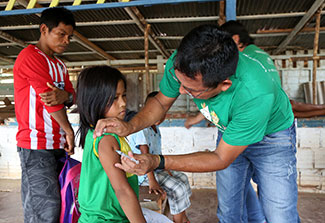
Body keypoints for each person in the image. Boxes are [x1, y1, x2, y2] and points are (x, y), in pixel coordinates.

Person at [94, 24, 300, 223]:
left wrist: (157, 161)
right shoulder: (184, 63)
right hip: (229, 131)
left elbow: (220, 157)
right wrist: (130, 126)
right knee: (229, 210)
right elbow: (160, 102)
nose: (181, 91)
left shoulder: (255, 94)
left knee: (280, 214)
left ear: (224, 84)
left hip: (272, 138)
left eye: (192, 90)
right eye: (180, 83)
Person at [76, 66, 172, 223]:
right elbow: (122, 190)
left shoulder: (107, 133)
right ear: (95, 100)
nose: (123, 103)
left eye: (124, 95)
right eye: (115, 98)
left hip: (113, 216)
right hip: (105, 219)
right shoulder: (106, 138)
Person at [13, 7, 76, 223]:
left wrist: (66, 95)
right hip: (36, 145)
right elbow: (50, 100)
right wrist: (68, 130)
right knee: (44, 210)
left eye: (70, 36)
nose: (66, 40)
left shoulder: (59, 66)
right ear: (44, 29)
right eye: (61, 34)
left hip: (57, 144)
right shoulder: (30, 56)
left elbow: (72, 96)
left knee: (60, 206)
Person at [128, 91, 192, 223]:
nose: (159, 116)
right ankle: (179, 220)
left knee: (182, 178)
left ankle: (181, 215)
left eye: (162, 113)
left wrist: (166, 167)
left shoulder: (156, 129)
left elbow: (157, 153)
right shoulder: (142, 128)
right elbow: (144, 156)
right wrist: (152, 181)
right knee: (177, 188)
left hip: (155, 169)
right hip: (143, 175)